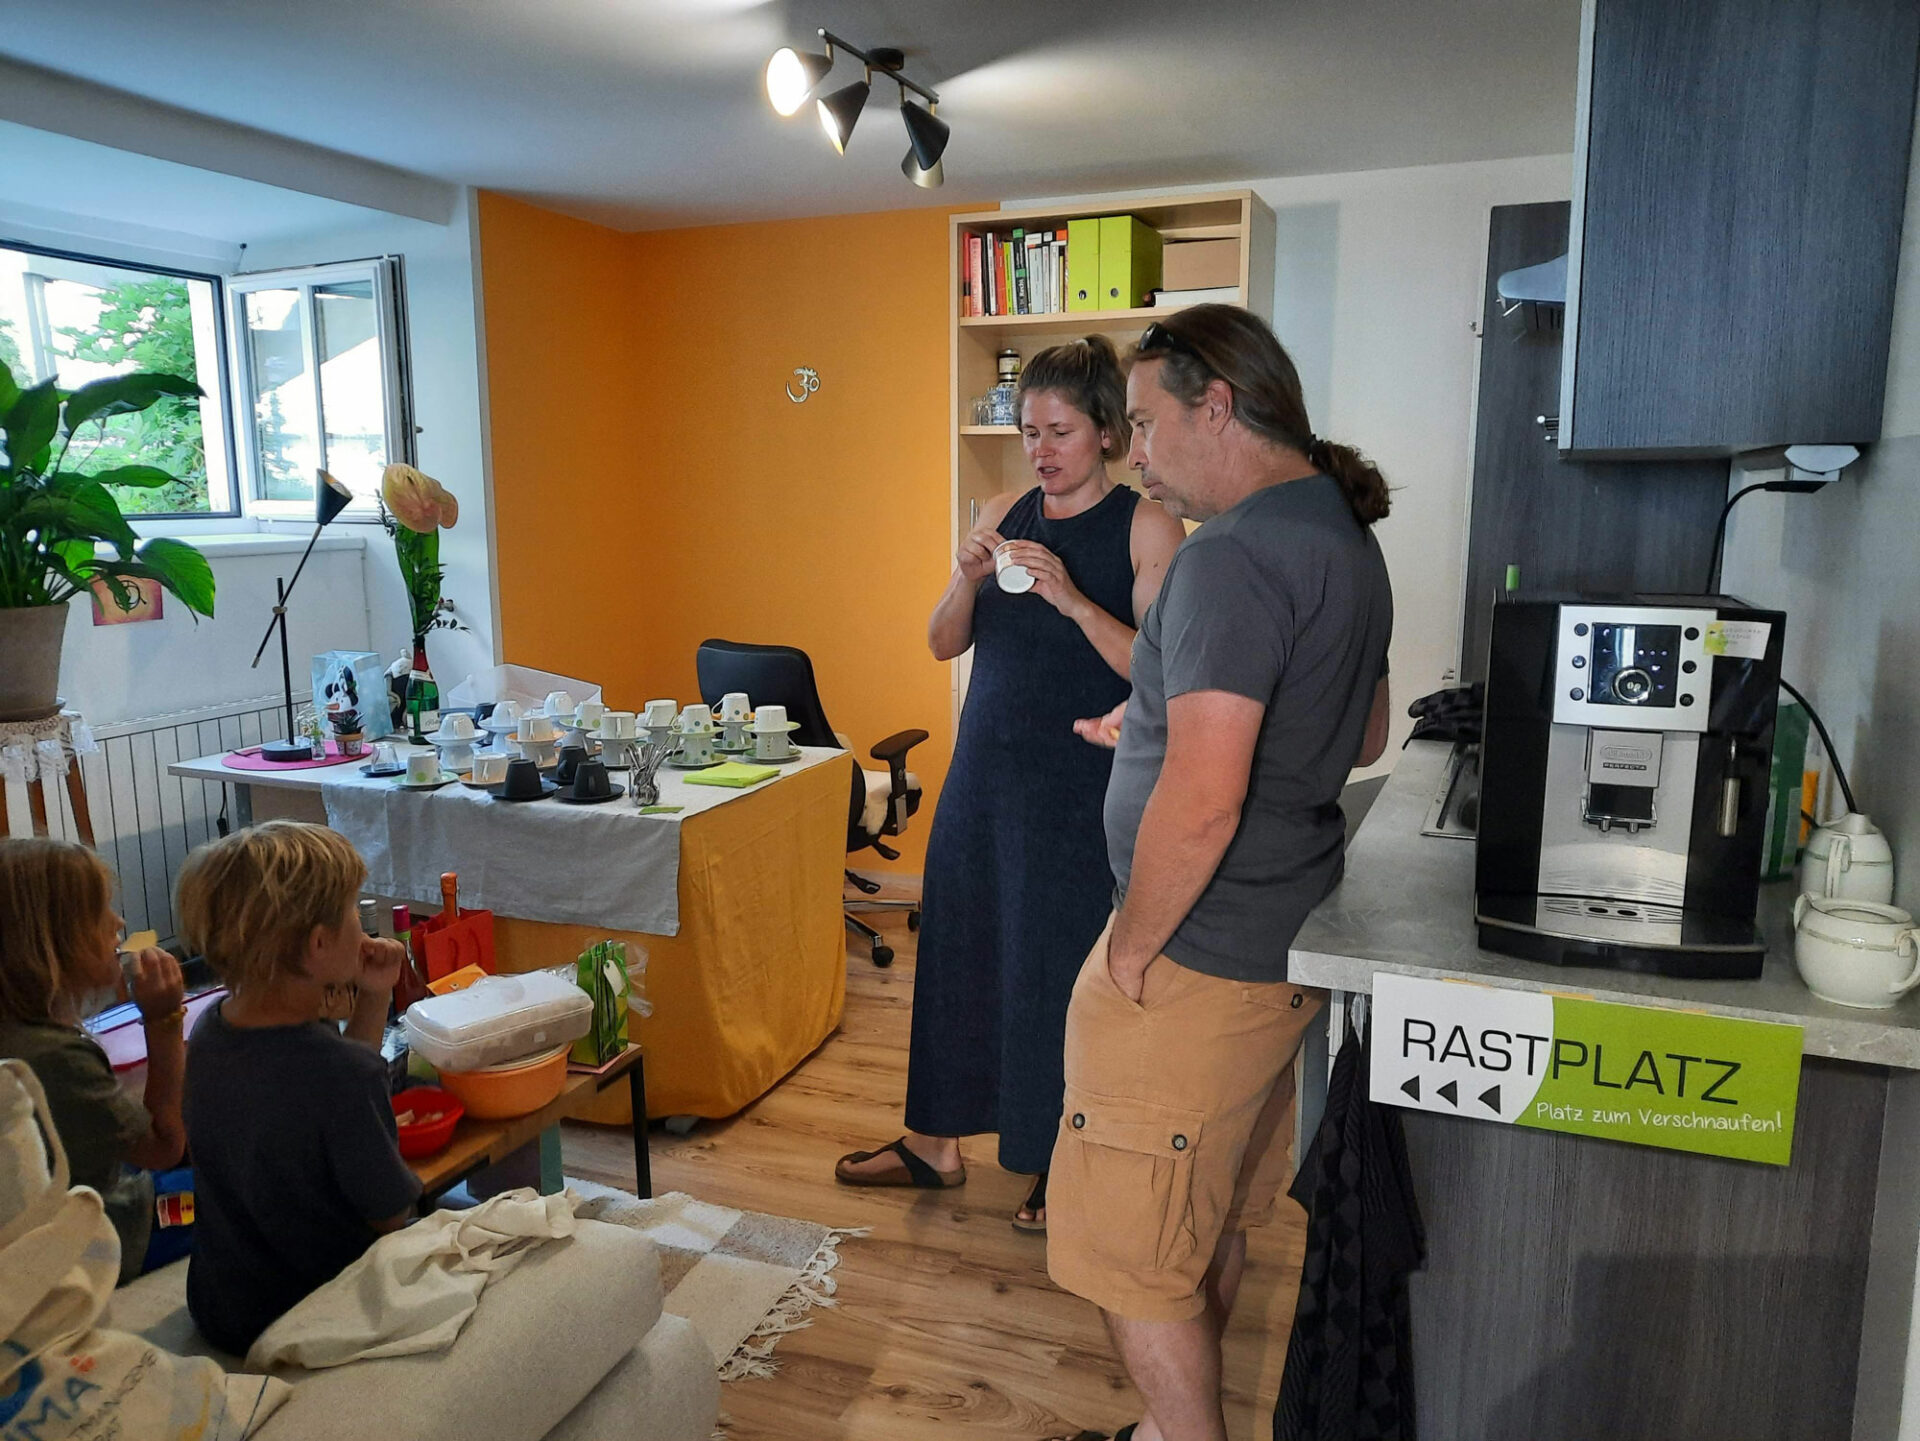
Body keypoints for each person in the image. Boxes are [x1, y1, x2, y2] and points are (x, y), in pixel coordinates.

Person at [1047, 305, 1395, 1441]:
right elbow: (1359, 733)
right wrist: (1157, 723)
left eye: (1147, 423)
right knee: (1200, 1220)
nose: (1134, 451)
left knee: (1134, 1256)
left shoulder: (1230, 555)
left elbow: (1203, 805)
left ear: (1219, 406)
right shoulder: (1340, 530)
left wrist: (1130, 953)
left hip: (1196, 956)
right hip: (1281, 945)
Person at [837, 336, 1186, 1230]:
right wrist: (964, 579)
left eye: (1059, 432)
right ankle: (935, 1143)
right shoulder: (1001, 511)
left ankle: (1053, 1156)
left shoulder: (1146, 527)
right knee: (956, 951)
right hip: (983, 776)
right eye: (1030, 431)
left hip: (1077, 787)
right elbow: (942, 642)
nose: (1041, 450)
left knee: (1052, 966)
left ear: (1105, 431)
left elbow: (1159, 670)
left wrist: (1072, 600)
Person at [176, 820, 421, 1355]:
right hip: (315, 1311)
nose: (362, 927)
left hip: (220, 1303)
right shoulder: (342, 1073)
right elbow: (389, 1213)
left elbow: (333, 1075)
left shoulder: (211, 1030)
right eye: (353, 911)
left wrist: (374, 994)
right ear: (318, 944)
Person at [0, 837, 190, 1282]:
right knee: (239, 1188)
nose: (117, 921)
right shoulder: (58, 1057)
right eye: (98, 910)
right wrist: (164, 1022)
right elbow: (165, 1148)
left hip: (53, 1212)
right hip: (97, 1236)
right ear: (52, 939)